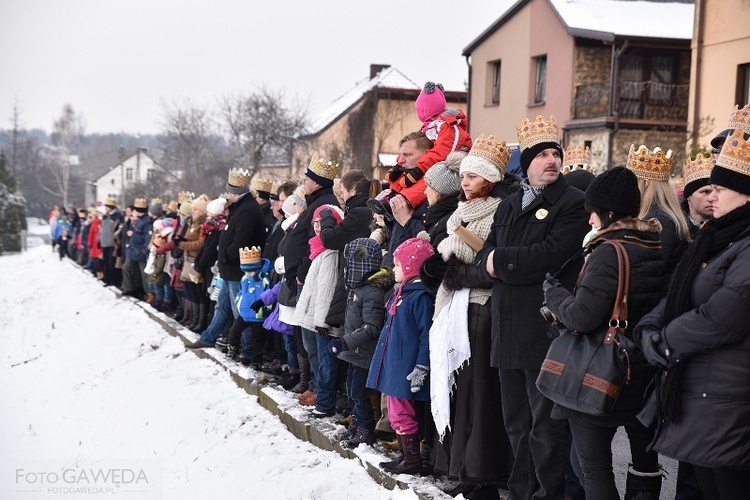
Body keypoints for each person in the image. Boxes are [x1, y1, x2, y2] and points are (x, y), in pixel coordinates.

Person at [636, 105, 750, 500]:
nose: (710, 196)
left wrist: (664, 340)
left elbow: (725, 314)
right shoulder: (713, 237)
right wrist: (649, 327)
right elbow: (679, 291)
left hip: (730, 395)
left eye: (721, 189)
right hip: (702, 390)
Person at [476, 115, 590, 500]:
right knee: (515, 422)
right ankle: (520, 490)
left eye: (554, 153)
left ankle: (548, 493)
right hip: (506, 327)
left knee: (546, 426)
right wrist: (493, 262)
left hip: (542, 329)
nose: (551, 160)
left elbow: (553, 255)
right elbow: (483, 256)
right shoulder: (509, 205)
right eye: (541, 155)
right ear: (525, 163)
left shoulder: (572, 203)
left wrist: (500, 262)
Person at [543, 167, 665, 499]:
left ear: (608, 211)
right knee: (632, 459)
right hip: (640, 366)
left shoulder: (608, 251)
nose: (590, 220)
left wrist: (553, 294)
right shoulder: (653, 243)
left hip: (602, 370)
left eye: (592, 212)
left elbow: (582, 317)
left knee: (591, 468)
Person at [421, 134, 519, 499]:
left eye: (473, 176)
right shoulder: (458, 213)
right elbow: (452, 257)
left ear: (491, 180)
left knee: (480, 394)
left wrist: (452, 271)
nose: (465, 181)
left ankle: (481, 473)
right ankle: (463, 466)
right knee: (459, 392)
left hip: (483, 309)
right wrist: (438, 268)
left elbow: (492, 263)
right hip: (457, 308)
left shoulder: (500, 212)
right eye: (463, 175)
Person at [367, 236, 436, 475]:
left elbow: (427, 335)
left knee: (402, 412)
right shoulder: (402, 293)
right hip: (395, 365)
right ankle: (405, 456)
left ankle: (412, 459)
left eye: (396, 265)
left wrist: (421, 366)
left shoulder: (419, 297)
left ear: (410, 266)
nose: (393, 269)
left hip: (406, 367)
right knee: (396, 411)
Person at [185, 168, 267, 349]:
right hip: (229, 269)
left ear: (235, 192)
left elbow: (241, 240)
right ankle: (208, 338)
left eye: (230, 191)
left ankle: (247, 349)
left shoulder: (247, 210)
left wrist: (225, 255)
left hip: (239, 269)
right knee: (222, 307)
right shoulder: (240, 208)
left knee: (240, 311)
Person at [329, 237, 394, 447]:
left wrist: (345, 341)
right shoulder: (360, 288)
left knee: (359, 392)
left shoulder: (372, 292)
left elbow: (372, 327)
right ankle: (357, 424)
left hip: (364, 352)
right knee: (352, 390)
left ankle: (366, 430)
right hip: (355, 352)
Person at [380, 82, 472, 210]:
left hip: (449, 167)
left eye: (429, 117)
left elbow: (443, 152)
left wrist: (420, 169)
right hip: (431, 162)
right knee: (407, 172)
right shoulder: (430, 126)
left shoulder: (449, 126)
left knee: (426, 181)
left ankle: (404, 201)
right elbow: (414, 146)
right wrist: (399, 166)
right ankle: (391, 197)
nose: (426, 121)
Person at [292, 204, 345, 417]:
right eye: (315, 223)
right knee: (321, 361)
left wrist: (321, 321)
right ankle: (321, 398)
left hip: (323, 322)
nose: (317, 227)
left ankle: (325, 404)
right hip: (317, 317)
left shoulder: (330, 253)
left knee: (327, 363)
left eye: (321, 223)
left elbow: (326, 289)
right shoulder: (319, 249)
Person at [628, 144, 691, 277]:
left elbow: (652, 270)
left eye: (633, 182)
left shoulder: (659, 220)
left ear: (645, 183)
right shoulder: (657, 215)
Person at [421, 151, 465, 249]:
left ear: (439, 191)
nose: (425, 191)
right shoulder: (441, 216)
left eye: (428, 186)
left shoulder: (448, 223)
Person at [122, 198, 153, 299]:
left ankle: (148, 294)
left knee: (144, 274)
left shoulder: (146, 221)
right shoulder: (140, 220)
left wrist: (143, 248)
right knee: (128, 268)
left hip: (140, 250)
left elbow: (146, 237)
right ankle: (132, 289)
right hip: (134, 249)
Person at [681, 153, 715, 236]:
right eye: (705, 192)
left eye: (716, 191)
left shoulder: (726, 229)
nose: (712, 198)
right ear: (689, 196)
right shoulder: (674, 226)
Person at [100, 198, 124, 287]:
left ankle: (113, 280)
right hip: (105, 242)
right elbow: (102, 228)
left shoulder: (118, 216)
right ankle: (106, 279)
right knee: (105, 262)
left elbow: (119, 229)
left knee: (112, 263)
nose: (105, 208)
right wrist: (100, 239)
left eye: (106, 206)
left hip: (113, 243)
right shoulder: (105, 216)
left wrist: (114, 238)